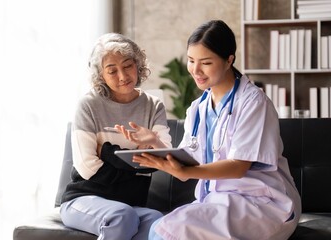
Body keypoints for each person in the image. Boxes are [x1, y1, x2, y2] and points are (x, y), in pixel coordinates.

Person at [115, 20, 302, 240]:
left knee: (165, 232)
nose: (195, 70)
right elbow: (189, 159)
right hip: (219, 201)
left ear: (228, 60)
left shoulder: (253, 102)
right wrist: (155, 143)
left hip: (261, 203)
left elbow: (238, 167)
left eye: (205, 62)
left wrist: (186, 172)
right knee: (160, 229)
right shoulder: (198, 108)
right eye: (191, 60)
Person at [59, 32, 173, 240]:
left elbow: (162, 159)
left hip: (129, 204)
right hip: (84, 199)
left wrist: (108, 152)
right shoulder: (89, 105)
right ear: (101, 75)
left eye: (128, 65)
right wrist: (134, 167)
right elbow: (86, 166)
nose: (123, 76)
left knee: (159, 223)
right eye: (112, 71)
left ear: (137, 64)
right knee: (121, 215)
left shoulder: (153, 106)